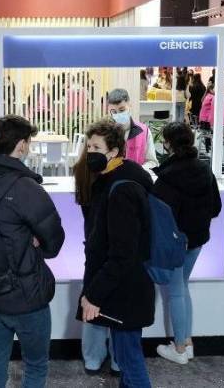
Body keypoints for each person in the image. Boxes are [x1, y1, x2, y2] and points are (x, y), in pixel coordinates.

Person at [0, 115, 65, 388]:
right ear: (21, 146)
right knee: (36, 365)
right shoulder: (25, 187)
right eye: (28, 142)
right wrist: (35, 241)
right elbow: (54, 241)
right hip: (25, 296)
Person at [75, 120, 155, 387]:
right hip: (122, 285)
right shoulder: (114, 179)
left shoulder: (122, 189)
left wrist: (94, 294)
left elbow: (122, 253)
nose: (91, 152)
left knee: (130, 360)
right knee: (125, 356)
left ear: (114, 151)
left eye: (97, 147)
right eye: (88, 146)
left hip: (125, 288)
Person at [151, 122, 222, 365]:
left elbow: (159, 219)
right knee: (181, 287)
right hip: (197, 240)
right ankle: (187, 342)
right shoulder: (204, 169)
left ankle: (180, 348)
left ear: (168, 144)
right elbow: (216, 208)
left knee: (177, 290)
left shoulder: (165, 179)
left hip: (174, 243)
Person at [106, 88, 158, 168]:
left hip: (136, 178)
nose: (118, 114)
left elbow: (152, 162)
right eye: (114, 112)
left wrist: (138, 171)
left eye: (122, 110)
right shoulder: (105, 133)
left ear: (129, 105)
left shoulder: (144, 131)